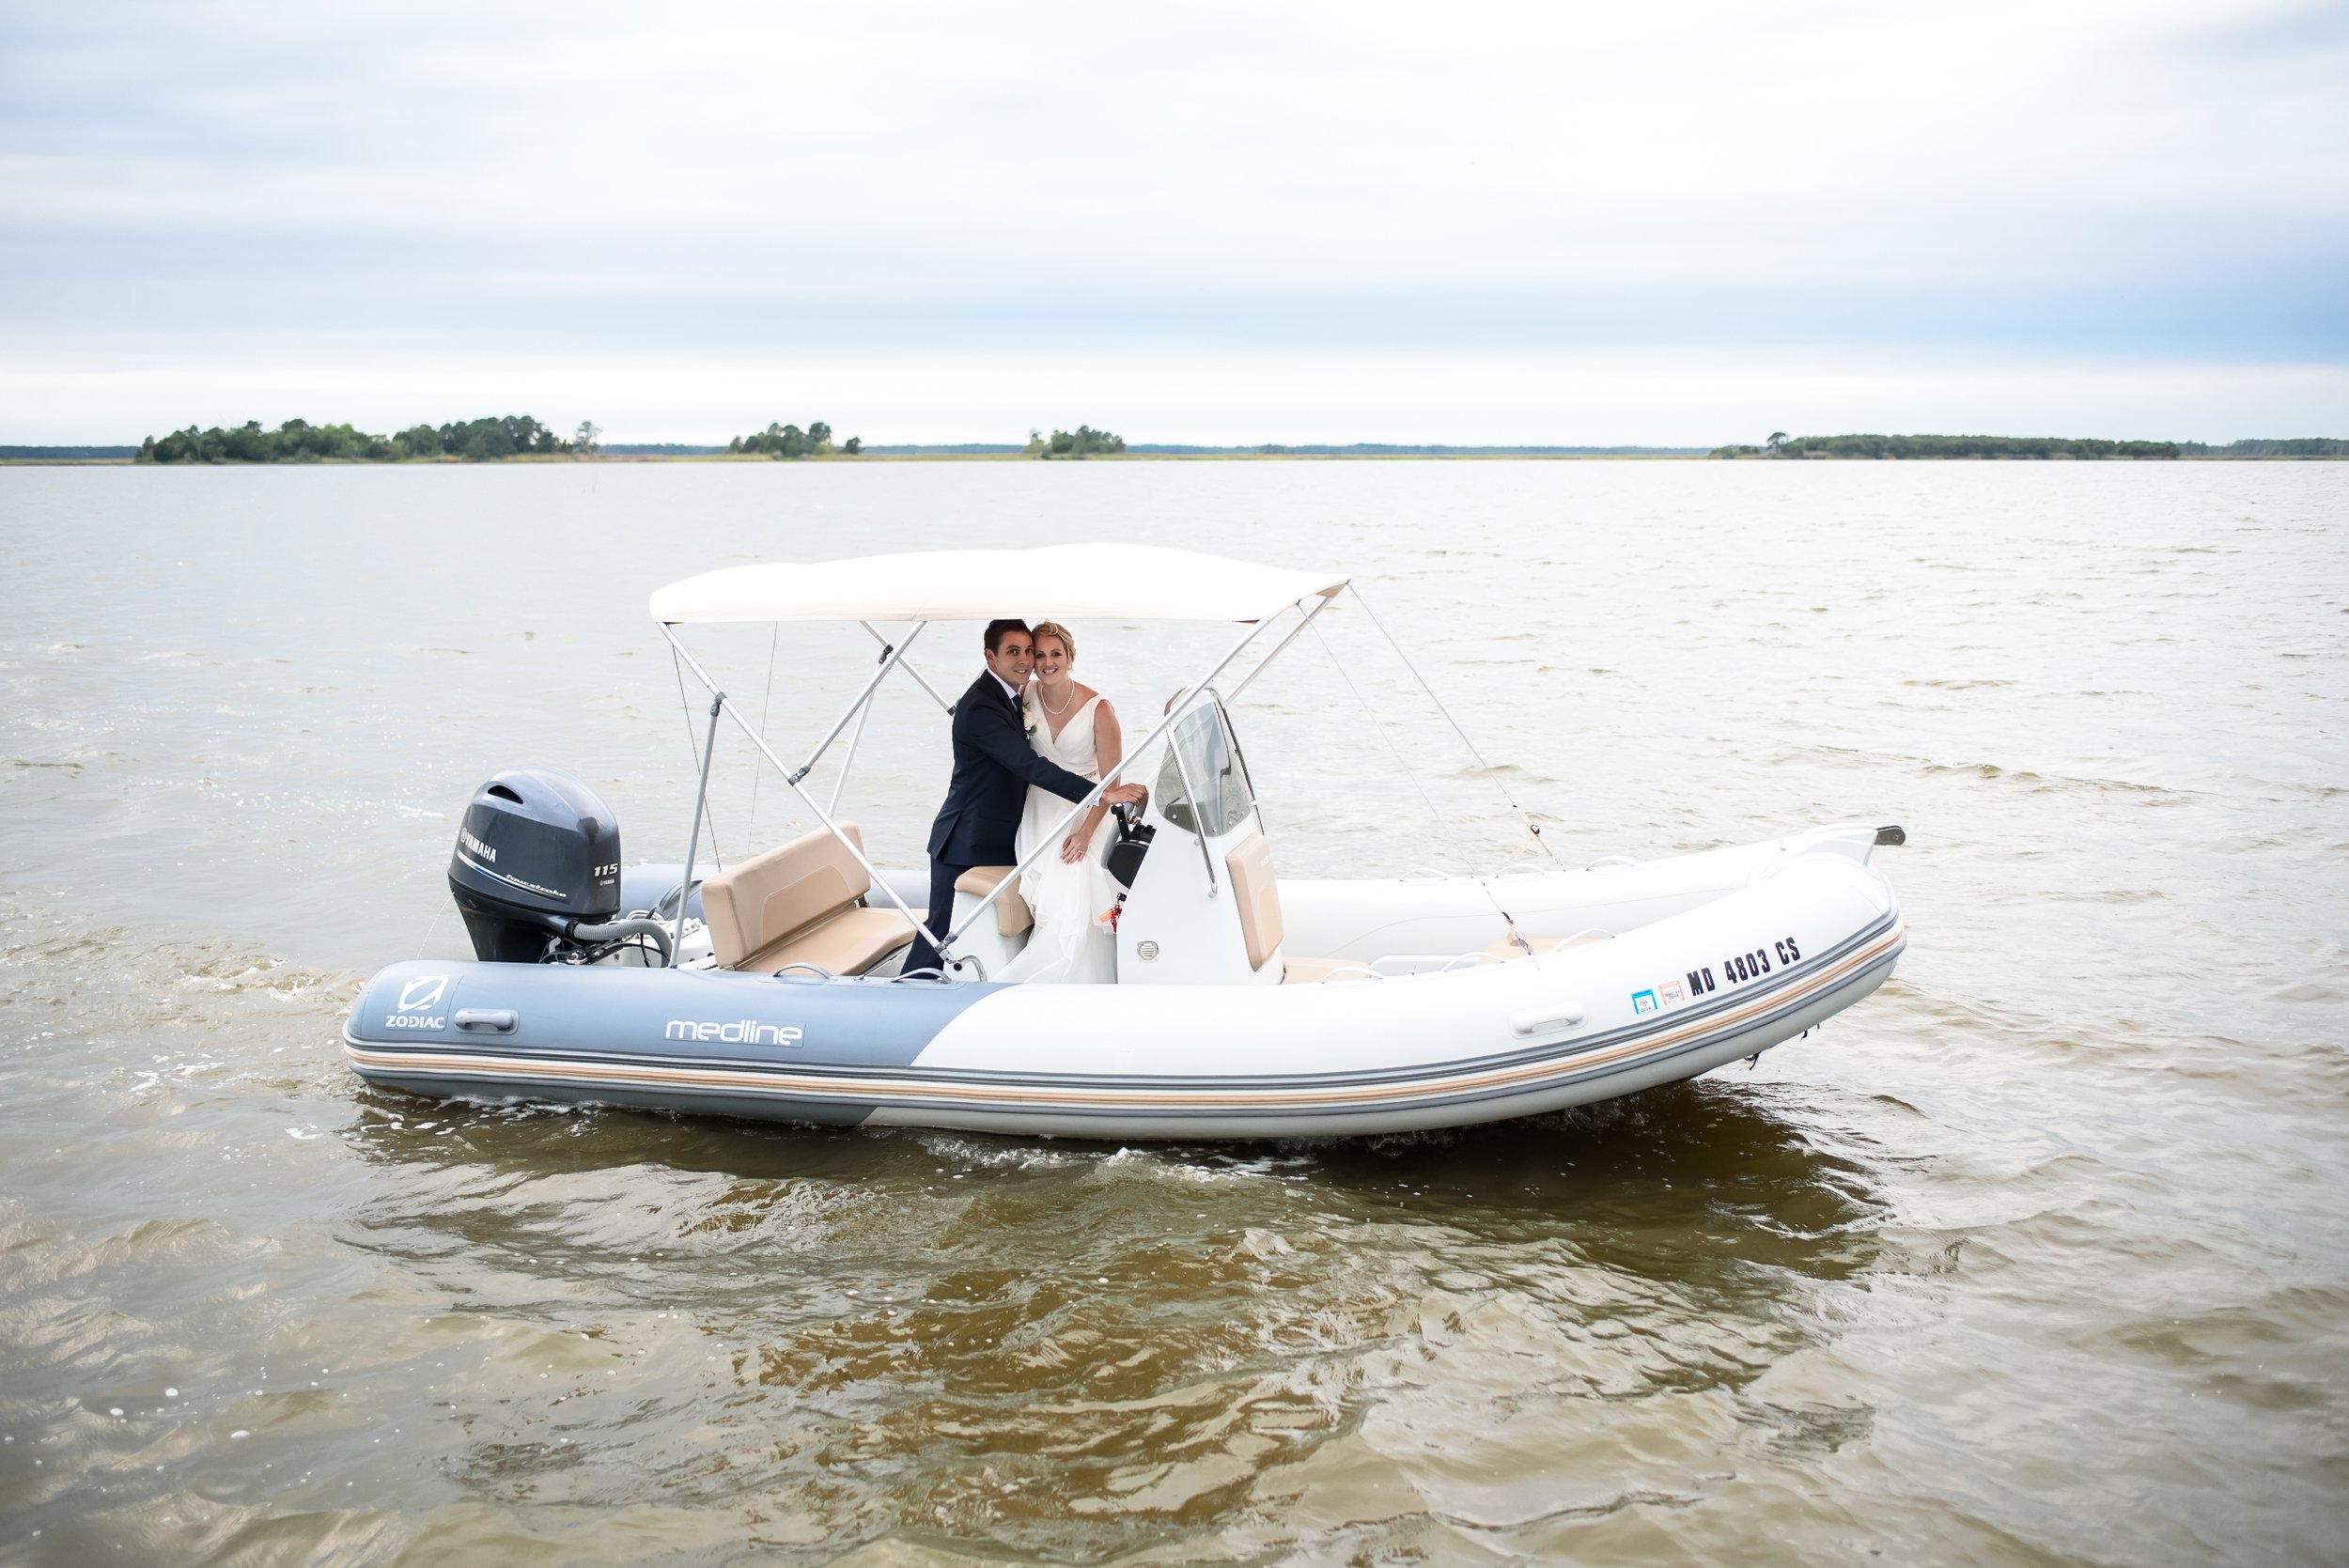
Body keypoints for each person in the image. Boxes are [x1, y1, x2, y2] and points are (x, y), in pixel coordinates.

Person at [907, 619, 1143, 975]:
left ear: (1070, 656)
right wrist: (1103, 795)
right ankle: (905, 991)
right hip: (967, 836)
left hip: (1026, 825)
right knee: (941, 930)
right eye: (1016, 652)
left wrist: (1100, 803)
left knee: (1070, 902)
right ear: (990, 657)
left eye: (1032, 652)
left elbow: (1106, 770)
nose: (1032, 660)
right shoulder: (984, 706)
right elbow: (1030, 766)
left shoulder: (1027, 694)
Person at [997, 621, 1125, 984]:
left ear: (1070, 658)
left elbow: (1110, 784)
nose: (1048, 662)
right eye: (1040, 655)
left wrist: (1084, 834)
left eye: (1056, 654)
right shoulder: (1026, 696)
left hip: (1087, 815)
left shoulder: (1099, 709)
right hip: (1040, 813)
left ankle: (1071, 982)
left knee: (1074, 900)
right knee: (1049, 904)